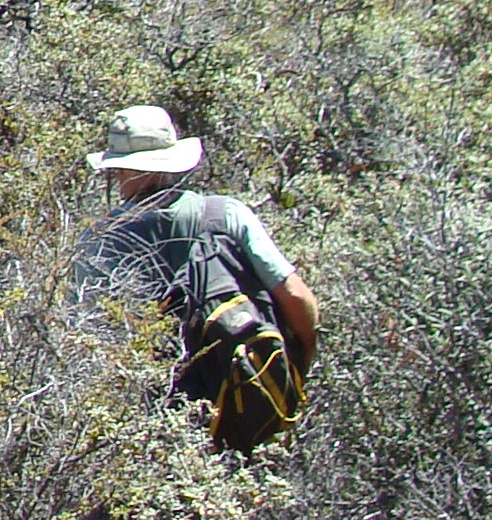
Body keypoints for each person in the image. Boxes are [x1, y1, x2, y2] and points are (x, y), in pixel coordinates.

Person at [75, 103, 321, 449]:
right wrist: (298, 367)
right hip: (245, 401)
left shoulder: (98, 240)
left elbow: (86, 339)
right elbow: (295, 295)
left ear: (118, 169)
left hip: (152, 422)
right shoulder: (225, 215)